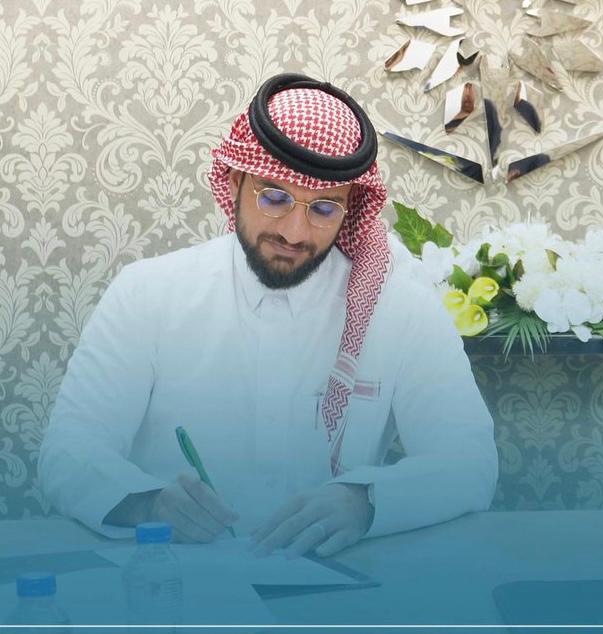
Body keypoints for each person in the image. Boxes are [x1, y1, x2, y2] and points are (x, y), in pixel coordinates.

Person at [39, 73, 497, 558]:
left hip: (340, 583)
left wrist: (366, 501)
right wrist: (146, 504)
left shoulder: (400, 307)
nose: (295, 232)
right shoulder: (147, 293)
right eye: (274, 198)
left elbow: (469, 462)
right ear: (236, 181)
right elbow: (68, 450)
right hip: (174, 580)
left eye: (324, 209)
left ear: (351, 208)